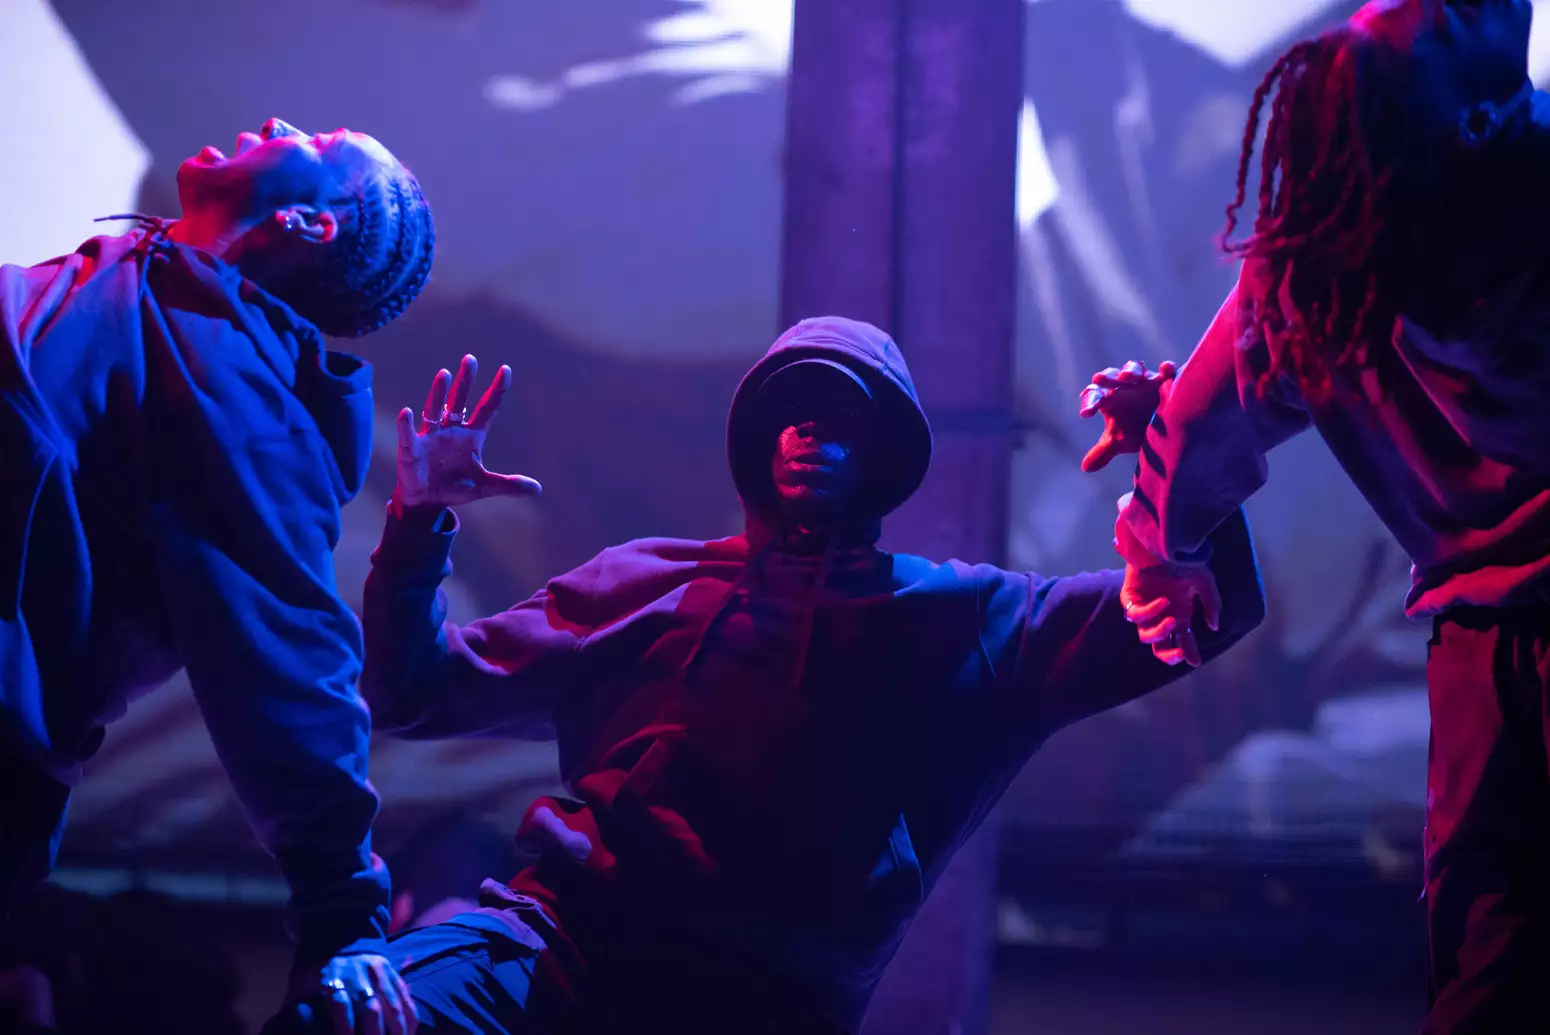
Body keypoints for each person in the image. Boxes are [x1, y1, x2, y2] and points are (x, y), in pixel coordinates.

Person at [350, 316, 1265, 1033]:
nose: (808, 429)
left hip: (764, 1004)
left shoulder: (964, 619)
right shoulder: (645, 580)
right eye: (789, 408)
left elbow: (1208, 607)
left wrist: (1178, 450)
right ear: (753, 438)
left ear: (886, 450)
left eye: (843, 412)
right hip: (553, 945)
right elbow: (413, 688)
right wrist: (419, 520)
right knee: (346, 1016)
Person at [1077, 2, 1550, 1031]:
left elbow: (1192, 442)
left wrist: (1162, 555)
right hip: (1497, 650)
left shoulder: (1309, 281)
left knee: (1489, 954)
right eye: (1447, 16)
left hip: (1482, 659)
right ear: (1473, 118)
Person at [0, 117, 435, 1033]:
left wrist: (343, 915)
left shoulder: (241, 394)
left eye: (316, 144)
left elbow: (286, 654)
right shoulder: (135, 288)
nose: (279, 125)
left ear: (315, 225)